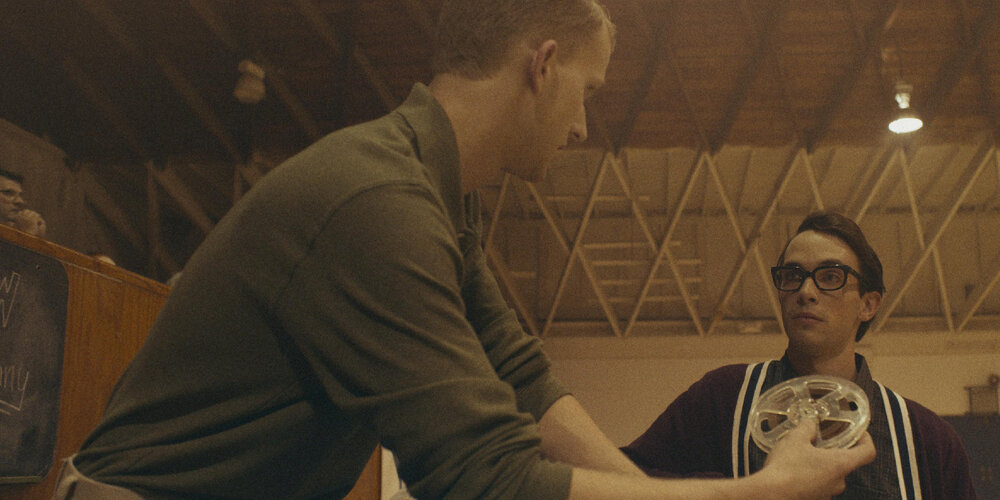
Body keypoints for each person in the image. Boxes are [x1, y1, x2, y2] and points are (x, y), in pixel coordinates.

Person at [56, 2, 873, 499]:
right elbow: (486, 479)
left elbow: (520, 376)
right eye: (586, 92)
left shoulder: (435, 193)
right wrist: (757, 494)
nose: (582, 127)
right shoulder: (378, 202)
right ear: (542, 66)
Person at [622, 211, 976, 498]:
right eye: (792, 275)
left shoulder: (926, 439)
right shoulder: (722, 399)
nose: (806, 291)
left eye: (831, 276)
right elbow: (623, 480)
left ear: (868, 305)